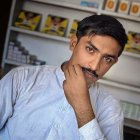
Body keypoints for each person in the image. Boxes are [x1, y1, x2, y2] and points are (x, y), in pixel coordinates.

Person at [0, 14, 127, 140]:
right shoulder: (20, 79)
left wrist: (82, 107)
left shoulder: (111, 108)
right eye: (90, 49)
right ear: (73, 43)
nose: (94, 66)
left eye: (107, 59)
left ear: (114, 62)